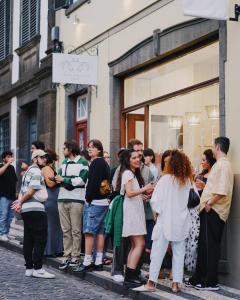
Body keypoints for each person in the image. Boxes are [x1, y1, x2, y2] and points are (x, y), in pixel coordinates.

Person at [134, 150, 193, 293]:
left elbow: (155, 201)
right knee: (179, 253)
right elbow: (194, 201)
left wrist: (159, 212)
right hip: (181, 221)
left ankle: (151, 283)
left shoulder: (165, 180)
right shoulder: (187, 181)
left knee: (157, 252)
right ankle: (175, 284)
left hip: (164, 220)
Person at [186, 137, 233, 291]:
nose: (212, 149)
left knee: (209, 247)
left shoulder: (224, 165)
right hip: (210, 210)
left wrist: (208, 204)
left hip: (214, 211)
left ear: (217, 147)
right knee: (204, 245)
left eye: (213, 146)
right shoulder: (220, 165)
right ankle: (197, 278)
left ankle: (210, 281)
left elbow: (222, 190)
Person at [11, 150, 55, 279]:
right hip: (36, 209)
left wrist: (20, 204)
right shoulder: (36, 171)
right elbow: (31, 191)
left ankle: (29, 268)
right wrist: (20, 201)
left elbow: (23, 190)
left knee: (29, 239)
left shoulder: (28, 172)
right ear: (35, 159)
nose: (44, 160)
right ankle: (38, 268)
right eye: (42, 157)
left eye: (45, 157)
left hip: (27, 210)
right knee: (41, 239)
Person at [116, 149, 154, 288]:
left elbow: (132, 194)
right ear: (128, 160)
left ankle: (130, 276)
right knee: (140, 244)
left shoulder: (131, 173)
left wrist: (144, 196)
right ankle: (130, 276)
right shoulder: (127, 173)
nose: (137, 159)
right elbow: (130, 193)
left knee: (135, 244)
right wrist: (145, 189)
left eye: (138, 157)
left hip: (135, 210)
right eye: (134, 158)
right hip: (132, 212)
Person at [74, 139, 110, 273]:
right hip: (103, 202)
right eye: (89, 147)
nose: (89, 149)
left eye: (93, 147)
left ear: (99, 150)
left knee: (88, 232)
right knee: (100, 232)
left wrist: (88, 198)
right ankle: (99, 261)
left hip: (94, 202)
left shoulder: (96, 163)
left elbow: (93, 183)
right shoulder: (104, 163)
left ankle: (87, 262)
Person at [56, 141, 89, 270]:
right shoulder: (63, 163)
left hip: (76, 200)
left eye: (64, 148)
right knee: (65, 230)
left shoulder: (83, 162)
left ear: (70, 149)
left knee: (75, 230)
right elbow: (60, 177)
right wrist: (64, 180)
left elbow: (81, 180)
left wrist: (64, 180)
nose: (63, 150)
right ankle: (67, 256)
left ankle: (75, 257)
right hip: (62, 198)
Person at [185, 149, 216, 272]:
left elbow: (214, 193)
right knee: (193, 239)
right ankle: (192, 267)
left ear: (210, 161)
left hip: (206, 210)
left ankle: (200, 269)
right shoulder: (200, 174)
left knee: (201, 240)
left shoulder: (213, 175)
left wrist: (204, 187)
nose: (202, 162)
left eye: (204, 160)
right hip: (195, 210)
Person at [42, 149, 63, 257]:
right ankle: (50, 250)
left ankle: (56, 249)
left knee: (55, 224)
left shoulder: (49, 168)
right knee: (52, 224)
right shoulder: (46, 168)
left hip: (54, 197)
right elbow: (50, 184)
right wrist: (58, 179)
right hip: (51, 197)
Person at [0, 151, 18, 241]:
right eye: (8, 156)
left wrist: (16, 191)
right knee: (3, 215)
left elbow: (14, 181)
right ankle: (2, 233)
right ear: (4, 159)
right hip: (3, 195)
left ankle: (6, 233)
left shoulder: (12, 168)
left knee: (10, 216)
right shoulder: (1, 166)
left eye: (11, 156)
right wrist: (7, 164)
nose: (10, 157)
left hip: (12, 195)